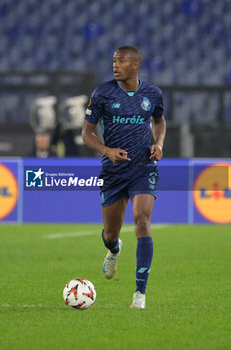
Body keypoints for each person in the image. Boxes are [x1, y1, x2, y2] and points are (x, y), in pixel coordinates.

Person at [82, 46, 166, 309]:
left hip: (143, 166)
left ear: (136, 64)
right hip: (113, 172)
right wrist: (107, 150)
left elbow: (160, 122)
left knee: (142, 219)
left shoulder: (152, 93)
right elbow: (87, 133)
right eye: (113, 61)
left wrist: (159, 144)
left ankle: (139, 294)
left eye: (121, 61)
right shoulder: (102, 93)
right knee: (109, 233)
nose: (115, 65)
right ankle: (114, 248)